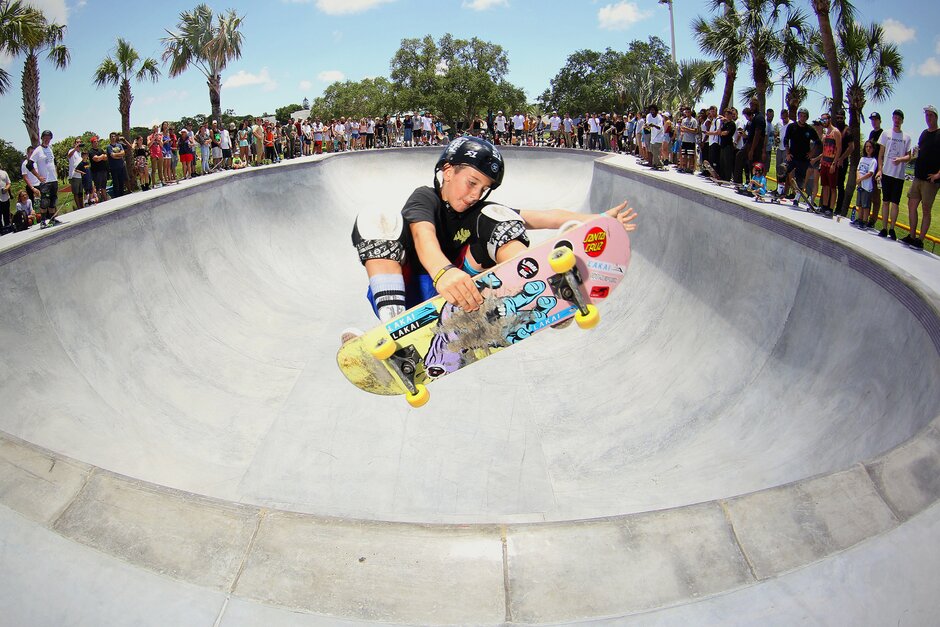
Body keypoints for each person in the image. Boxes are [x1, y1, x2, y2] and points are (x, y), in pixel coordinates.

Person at [346, 137, 638, 335]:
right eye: (471, 182)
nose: (475, 194)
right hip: (410, 290)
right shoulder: (425, 197)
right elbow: (423, 236)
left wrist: (599, 221)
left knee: (502, 217)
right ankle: (393, 328)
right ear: (448, 172)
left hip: (465, 294)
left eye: (483, 188)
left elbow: (545, 216)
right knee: (377, 219)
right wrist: (443, 272)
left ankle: (539, 292)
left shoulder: (481, 210)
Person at [901, 105, 940, 249]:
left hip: (930, 180)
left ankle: (920, 240)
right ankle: (912, 236)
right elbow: (919, 150)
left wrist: (938, 175)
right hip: (917, 176)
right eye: (926, 115)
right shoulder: (924, 133)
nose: (928, 118)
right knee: (912, 205)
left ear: (936, 117)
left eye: (930, 115)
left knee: (926, 209)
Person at [876, 109, 912, 240]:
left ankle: (892, 229)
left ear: (902, 120)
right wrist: (880, 170)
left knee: (895, 203)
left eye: (899, 118)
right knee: (885, 201)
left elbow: (909, 155)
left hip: (899, 175)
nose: (897, 120)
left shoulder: (906, 137)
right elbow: (880, 154)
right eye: (895, 118)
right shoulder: (886, 134)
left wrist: (901, 159)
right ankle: (884, 228)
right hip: (887, 173)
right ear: (892, 119)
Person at [781, 108, 821, 207]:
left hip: (803, 158)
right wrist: (787, 153)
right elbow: (786, 140)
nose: (802, 118)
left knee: (800, 178)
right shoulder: (792, 126)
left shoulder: (809, 129)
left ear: (806, 118)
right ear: (798, 116)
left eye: (804, 116)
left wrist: (811, 153)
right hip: (792, 155)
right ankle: (780, 191)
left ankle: (796, 198)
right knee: (782, 170)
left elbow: (818, 143)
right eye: (801, 116)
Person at [27, 129, 59, 225]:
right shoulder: (38, 150)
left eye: (49, 139)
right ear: (42, 138)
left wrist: (56, 175)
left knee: (53, 200)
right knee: (45, 201)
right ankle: (43, 221)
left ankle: (52, 219)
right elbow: (29, 165)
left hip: (53, 179)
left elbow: (53, 163)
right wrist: (38, 176)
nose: (47, 140)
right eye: (45, 138)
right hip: (45, 181)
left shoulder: (50, 149)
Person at [818, 112, 842, 217]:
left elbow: (839, 148)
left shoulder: (835, 132)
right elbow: (824, 148)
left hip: (832, 163)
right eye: (822, 120)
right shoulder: (826, 134)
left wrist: (834, 163)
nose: (823, 122)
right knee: (825, 186)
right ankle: (824, 206)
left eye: (825, 120)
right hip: (824, 162)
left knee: (833, 187)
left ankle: (831, 208)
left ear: (829, 120)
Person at [855, 140, 878, 230]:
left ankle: (864, 221)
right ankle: (859, 219)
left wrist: (861, 179)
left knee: (865, 205)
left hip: (867, 185)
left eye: (870, 147)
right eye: (866, 147)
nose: (868, 149)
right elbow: (858, 169)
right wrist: (858, 179)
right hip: (860, 184)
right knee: (859, 204)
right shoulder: (862, 159)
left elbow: (870, 173)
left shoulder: (873, 161)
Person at [867, 112, 885, 228]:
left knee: (876, 196)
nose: (874, 122)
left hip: (878, 167)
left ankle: (873, 219)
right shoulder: (872, 133)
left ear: (879, 120)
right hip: (870, 165)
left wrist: (880, 168)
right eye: (872, 120)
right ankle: (865, 216)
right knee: (867, 192)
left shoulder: (883, 134)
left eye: (875, 120)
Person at [106, 132, 128, 198]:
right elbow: (112, 155)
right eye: (112, 136)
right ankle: (117, 196)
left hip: (121, 165)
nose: (113, 137)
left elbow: (123, 153)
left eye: (114, 136)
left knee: (121, 181)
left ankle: (122, 194)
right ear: (110, 138)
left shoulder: (119, 145)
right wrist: (119, 155)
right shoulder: (109, 147)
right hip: (114, 167)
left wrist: (117, 155)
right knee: (116, 182)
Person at [89, 135, 110, 201]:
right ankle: (99, 200)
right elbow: (96, 159)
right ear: (92, 143)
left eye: (97, 142)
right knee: (97, 187)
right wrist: (102, 156)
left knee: (104, 186)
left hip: (103, 170)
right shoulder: (91, 151)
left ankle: (105, 199)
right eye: (95, 142)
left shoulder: (100, 150)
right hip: (96, 172)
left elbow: (106, 157)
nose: (96, 143)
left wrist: (101, 157)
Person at [67, 137, 84, 209]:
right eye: (77, 142)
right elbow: (69, 156)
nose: (79, 143)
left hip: (80, 175)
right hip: (74, 175)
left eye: (80, 142)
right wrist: (75, 148)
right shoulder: (72, 151)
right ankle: (78, 207)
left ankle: (82, 206)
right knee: (76, 193)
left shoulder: (80, 153)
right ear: (74, 143)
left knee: (80, 192)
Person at [0, 165, 10, 232]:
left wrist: (6, 188)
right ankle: (1, 229)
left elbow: (8, 183)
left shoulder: (4, 172)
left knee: (6, 212)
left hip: (5, 196)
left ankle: (8, 226)